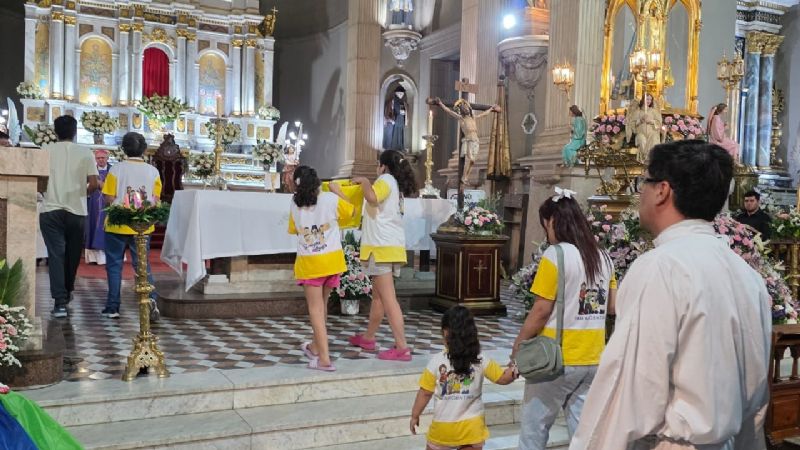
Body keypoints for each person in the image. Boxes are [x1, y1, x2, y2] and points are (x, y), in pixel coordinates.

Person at [569, 141, 772, 450]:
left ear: (662, 190)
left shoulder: (660, 267)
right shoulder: (748, 277)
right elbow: (757, 393)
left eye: (643, 183)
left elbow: (628, 389)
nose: (641, 193)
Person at [511, 188, 616, 450]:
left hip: (556, 359)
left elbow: (541, 310)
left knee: (534, 430)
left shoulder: (555, 255)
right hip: (593, 356)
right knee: (584, 433)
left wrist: (519, 344)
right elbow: (613, 307)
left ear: (553, 221)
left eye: (545, 225)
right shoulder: (603, 257)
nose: (546, 232)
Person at [410, 306, 516, 450]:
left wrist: (415, 415)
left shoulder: (436, 361)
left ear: (445, 332)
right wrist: (518, 367)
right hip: (472, 428)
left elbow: (425, 392)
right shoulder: (480, 359)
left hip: (443, 428)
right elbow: (503, 378)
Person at [349, 149, 417, 361]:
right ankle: (369, 338)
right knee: (378, 298)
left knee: (388, 300)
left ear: (384, 166)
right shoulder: (394, 183)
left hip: (381, 247)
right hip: (387, 246)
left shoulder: (385, 179)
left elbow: (372, 198)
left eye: (378, 164)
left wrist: (364, 181)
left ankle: (402, 347)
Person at [288, 165, 355, 372]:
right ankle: (315, 347)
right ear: (318, 182)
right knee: (322, 306)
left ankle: (324, 358)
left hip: (311, 262)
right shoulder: (330, 199)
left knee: (316, 310)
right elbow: (352, 212)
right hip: (332, 261)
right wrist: (338, 192)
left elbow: (293, 229)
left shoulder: (294, 202)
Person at [39, 115, 100, 318]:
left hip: (50, 210)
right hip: (77, 211)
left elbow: (39, 181)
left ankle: (60, 303)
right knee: (73, 255)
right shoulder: (85, 152)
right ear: (75, 132)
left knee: (56, 255)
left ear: (55, 132)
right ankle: (67, 291)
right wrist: (83, 193)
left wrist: (47, 191)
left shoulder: (45, 151)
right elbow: (94, 183)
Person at [101, 132, 161, 320]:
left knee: (114, 266)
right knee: (143, 265)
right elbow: (156, 201)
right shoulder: (153, 171)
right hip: (142, 226)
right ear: (144, 149)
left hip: (117, 226)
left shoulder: (116, 170)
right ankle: (151, 302)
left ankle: (113, 307)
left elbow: (109, 198)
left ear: (124, 149)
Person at [433, 97, 501, 184]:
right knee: (469, 159)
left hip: (476, 140)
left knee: (473, 161)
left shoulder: (473, 118)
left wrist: (491, 108)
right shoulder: (461, 118)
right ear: (461, 110)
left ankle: (466, 177)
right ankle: (464, 177)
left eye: (467, 108)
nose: (466, 109)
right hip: (468, 140)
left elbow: (484, 114)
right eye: (464, 108)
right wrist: (441, 104)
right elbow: (449, 111)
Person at [84, 149, 111, 265]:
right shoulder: (90, 171)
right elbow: (84, 185)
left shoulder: (113, 170)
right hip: (93, 202)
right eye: (98, 158)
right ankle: (94, 257)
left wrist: (103, 185)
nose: (100, 160)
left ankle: (108, 256)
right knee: (93, 225)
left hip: (109, 202)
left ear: (107, 158)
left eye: (103, 158)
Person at [626, 94, 662, 163]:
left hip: (652, 134)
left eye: (650, 99)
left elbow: (659, 123)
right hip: (641, 134)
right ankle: (645, 158)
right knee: (641, 139)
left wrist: (651, 121)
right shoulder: (637, 112)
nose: (648, 101)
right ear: (643, 100)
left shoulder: (654, 111)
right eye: (647, 99)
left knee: (654, 138)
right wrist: (640, 121)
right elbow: (632, 124)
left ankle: (650, 159)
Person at [383, 86, 408, 151]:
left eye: (402, 94)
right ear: (395, 93)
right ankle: (392, 149)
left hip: (401, 120)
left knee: (400, 134)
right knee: (393, 135)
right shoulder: (392, 101)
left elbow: (405, 112)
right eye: (399, 93)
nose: (401, 95)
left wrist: (406, 119)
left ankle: (400, 148)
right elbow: (388, 111)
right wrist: (390, 119)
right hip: (394, 120)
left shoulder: (403, 102)